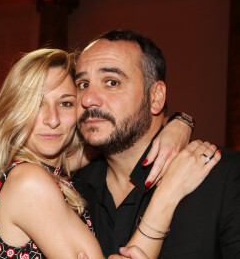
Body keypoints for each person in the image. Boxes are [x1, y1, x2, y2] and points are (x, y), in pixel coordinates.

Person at [0, 48, 220, 259]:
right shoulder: (29, 182)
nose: (52, 120)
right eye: (35, 104)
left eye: (65, 103)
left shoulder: (55, 165)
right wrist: (168, 192)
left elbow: (117, 135)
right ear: (14, 110)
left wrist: (179, 123)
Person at [71, 29, 240, 258]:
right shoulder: (69, 189)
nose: (88, 99)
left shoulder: (224, 177)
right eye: (82, 84)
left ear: (156, 97)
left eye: (112, 82)